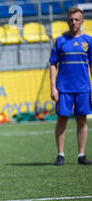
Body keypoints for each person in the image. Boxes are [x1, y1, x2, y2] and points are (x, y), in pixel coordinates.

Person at [50, 7, 92, 166]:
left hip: (83, 88)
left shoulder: (89, 41)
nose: (73, 23)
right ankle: (60, 154)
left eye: (76, 20)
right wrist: (53, 87)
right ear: (67, 21)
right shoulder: (60, 41)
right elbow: (53, 64)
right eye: (70, 20)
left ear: (82, 21)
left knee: (82, 120)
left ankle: (81, 155)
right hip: (63, 88)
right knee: (62, 119)